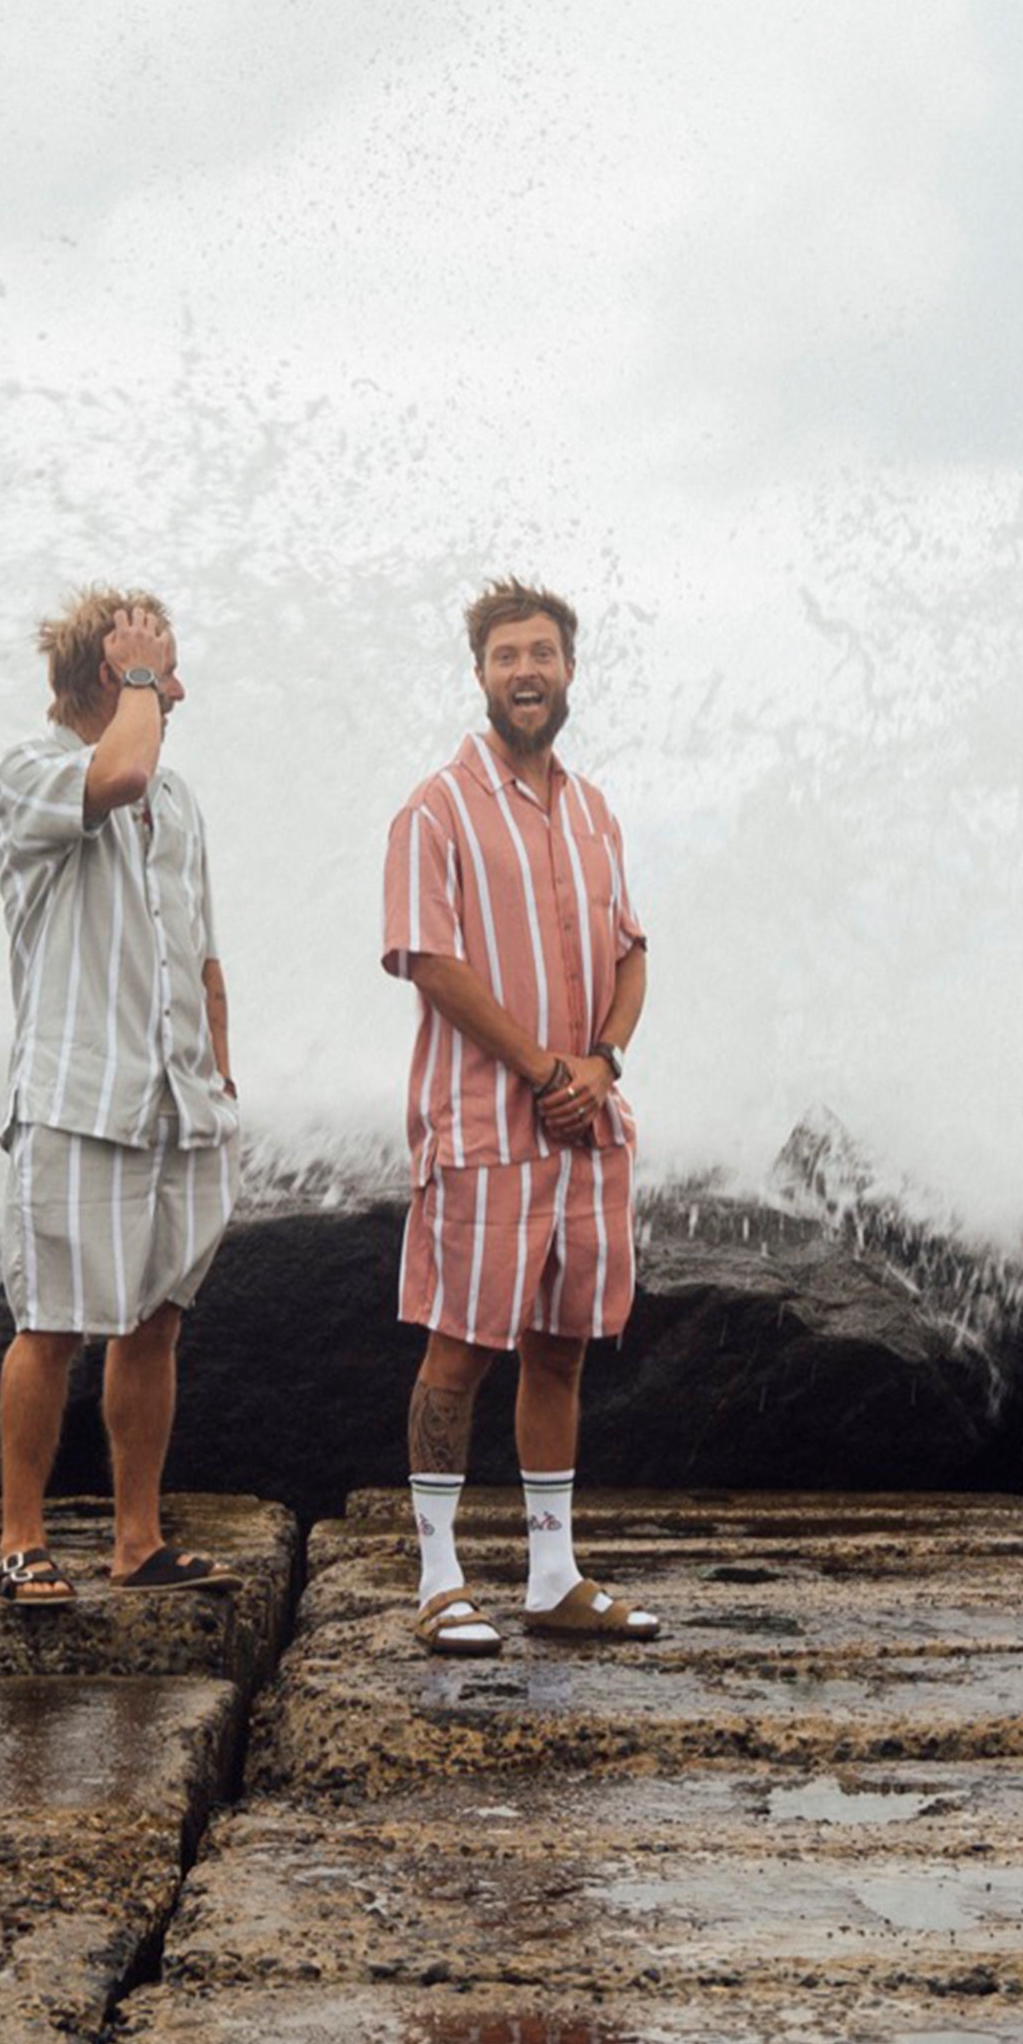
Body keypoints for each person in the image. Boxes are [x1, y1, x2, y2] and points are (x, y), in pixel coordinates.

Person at [381, 577, 659, 1653]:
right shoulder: (436, 808)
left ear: (571, 669)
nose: (526, 671)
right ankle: (440, 1579)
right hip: (484, 1130)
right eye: (506, 656)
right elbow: (431, 963)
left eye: (542, 652)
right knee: (459, 1350)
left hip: (588, 1133)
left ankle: (552, 1576)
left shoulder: (594, 812)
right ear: (481, 674)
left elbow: (633, 953)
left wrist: (601, 1060)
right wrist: (546, 1068)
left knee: (561, 1351)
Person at [0, 587, 243, 1602]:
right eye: (157, 670)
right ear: (114, 675)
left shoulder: (178, 804)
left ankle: (138, 1542)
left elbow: (205, 951)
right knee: (51, 1323)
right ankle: (21, 1540)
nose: (176, 691)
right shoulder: (32, 774)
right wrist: (141, 676)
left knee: (153, 1324)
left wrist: (223, 1078)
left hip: (180, 1104)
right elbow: (122, 766)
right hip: (76, 1097)